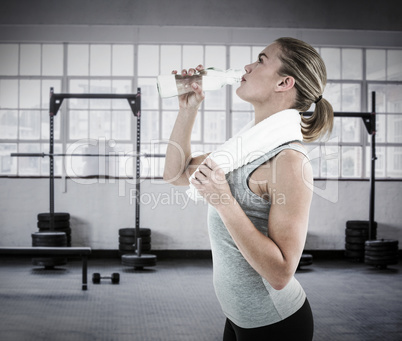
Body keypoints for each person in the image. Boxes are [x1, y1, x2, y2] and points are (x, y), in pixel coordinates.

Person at [163, 37, 333, 341]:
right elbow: (175, 173)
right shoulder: (240, 151)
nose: (248, 66)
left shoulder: (289, 161)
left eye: (262, 60)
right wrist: (188, 108)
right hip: (238, 318)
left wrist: (224, 201)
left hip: (276, 325)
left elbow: (281, 274)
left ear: (284, 82)